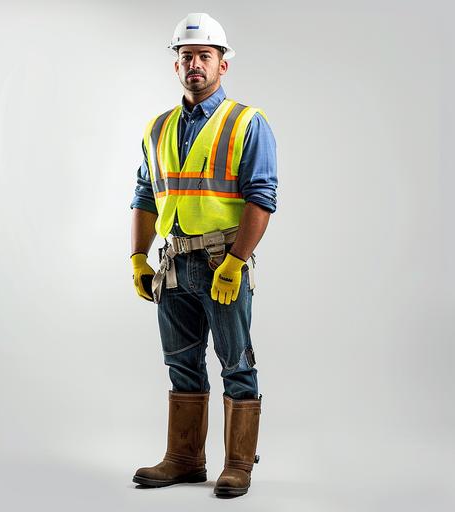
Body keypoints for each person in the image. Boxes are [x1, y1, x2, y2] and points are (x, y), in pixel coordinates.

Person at [129, 12, 277, 498]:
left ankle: (238, 465)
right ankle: (185, 458)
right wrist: (138, 257)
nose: (194, 64)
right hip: (173, 266)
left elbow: (261, 198)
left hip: (221, 264)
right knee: (181, 363)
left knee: (236, 363)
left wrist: (235, 262)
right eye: (186, 56)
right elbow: (145, 197)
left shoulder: (246, 123)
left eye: (204, 56)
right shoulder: (157, 128)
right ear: (176, 65)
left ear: (222, 64)